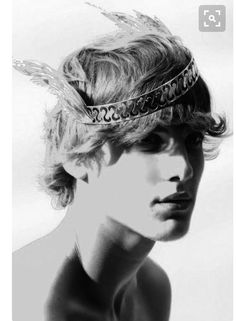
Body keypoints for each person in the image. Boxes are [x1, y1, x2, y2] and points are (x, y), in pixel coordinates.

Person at [12, 8, 227, 321]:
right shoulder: (29, 303)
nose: (184, 169)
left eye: (193, 139)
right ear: (78, 156)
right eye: (149, 142)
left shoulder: (151, 288)